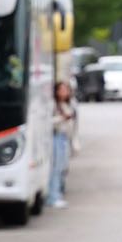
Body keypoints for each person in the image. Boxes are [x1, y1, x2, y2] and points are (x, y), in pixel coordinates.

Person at [49, 78, 74, 208]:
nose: (65, 92)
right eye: (62, 89)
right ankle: (53, 196)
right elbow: (48, 121)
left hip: (64, 137)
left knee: (62, 167)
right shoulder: (53, 105)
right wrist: (61, 118)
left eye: (66, 90)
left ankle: (58, 193)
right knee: (56, 167)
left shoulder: (67, 104)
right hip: (56, 137)